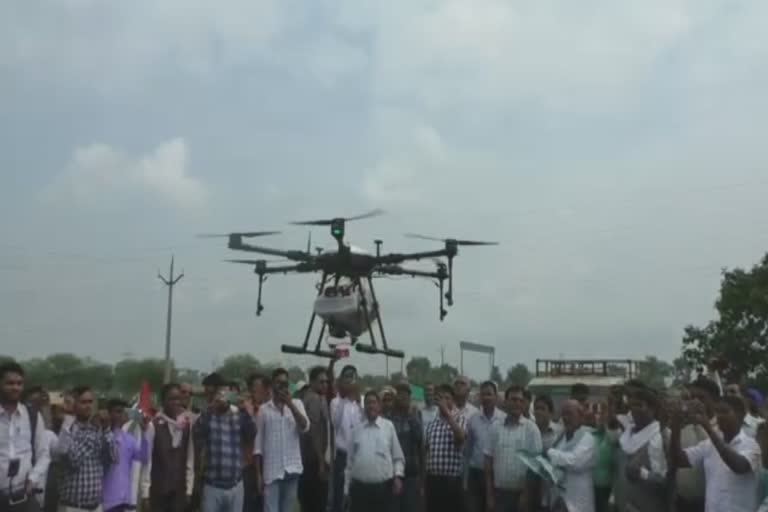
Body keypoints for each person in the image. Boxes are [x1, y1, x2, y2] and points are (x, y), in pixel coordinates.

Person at [670, 394, 762, 512]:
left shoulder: (752, 445)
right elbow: (678, 460)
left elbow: (738, 466)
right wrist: (676, 426)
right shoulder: (709, 445)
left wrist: (707, 427)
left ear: (741, 415)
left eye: (724, 411)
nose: (719, 416)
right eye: (717, 412)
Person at [194, 378, 256, 512]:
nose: (223, 398)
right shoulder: (209, 416)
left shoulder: (239, 416)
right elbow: (197, 432)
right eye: (220, 394)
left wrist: (244, 410)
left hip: (236, 485)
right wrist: (210, 408)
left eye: (226, 394)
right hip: (212, 486)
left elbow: (251, 434)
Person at [54, 386, 117, 512]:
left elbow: (113, 458)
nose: (88, 406)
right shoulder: (68, 429)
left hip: (96, 506)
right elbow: (74, 460)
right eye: (83, 402)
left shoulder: (97, 428)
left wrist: (106, 430)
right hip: (72, 507)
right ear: (74, 405)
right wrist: (93, 433)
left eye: (90, 402)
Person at [254, 368, 309, 512]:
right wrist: (258, 475)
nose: (282, 387)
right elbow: (258, 445)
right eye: (278, 383)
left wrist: (290, 404)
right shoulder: (264, 410)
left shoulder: (297, 404)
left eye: (285, 383)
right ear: (272, 385)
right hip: (272, 473)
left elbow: (305, 426)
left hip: (292, 469)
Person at [0, 362, 50, 512]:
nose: (15, 387)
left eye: (19, 383)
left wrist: (32, 479)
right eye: (9, 383)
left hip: (24, 497)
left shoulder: (32, 415)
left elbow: (44, 453)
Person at [344, 391, 405, 512]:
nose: (371, 406)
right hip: (359, 491)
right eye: (367, 403)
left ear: (379, 406)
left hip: (383, 490)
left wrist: (398, 477)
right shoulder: (356, 430)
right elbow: (349, 463)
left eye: (373, 402)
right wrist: (346, 489)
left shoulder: (388, 427)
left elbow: (398, 458)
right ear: (364, 406)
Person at [484, 385, 542, 512]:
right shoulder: (495, 427)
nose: (517, 403)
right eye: (514, 399)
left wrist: (526, 495)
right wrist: (489, 496)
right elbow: (488, 463)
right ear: (505, 402)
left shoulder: (531, 429)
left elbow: (534, 467)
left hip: (523, 495)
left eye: (521, 401)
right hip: (499, 495)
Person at [141, 383, 195, 512]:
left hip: (179, 492)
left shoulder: (186, 426)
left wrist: (189, 488)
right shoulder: (153, 426)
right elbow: (147, 461)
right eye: (171, 399)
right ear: (163, 401)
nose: (175, 402)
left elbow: (189, 459)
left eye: (178, 399)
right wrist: (145, 493)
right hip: (158, 492)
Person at [613, 388, 667, 512]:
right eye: (632, 405)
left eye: (639, 405)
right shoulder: (626, 434)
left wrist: (643, 474)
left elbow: (667, 481)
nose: (634, 409)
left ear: (652, 409)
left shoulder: (660, 436)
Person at [673, 378, 718, 512]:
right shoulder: (683, 426)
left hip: (707, 504)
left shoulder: (722, 427)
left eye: (701, 398)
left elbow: (716, 454)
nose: (695, 402)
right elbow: (675, 460)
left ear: (715, 400)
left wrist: (699, 424)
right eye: (692, 397)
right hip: (682, 502)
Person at [547, 399, 597, 512]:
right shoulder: (560, 438)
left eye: (569, 413)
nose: (565, 418)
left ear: (581, 416)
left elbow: (574, 462)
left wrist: (551, 453)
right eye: (563, 414)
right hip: (558, 502)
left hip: (578, 504)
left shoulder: (588, 438)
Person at [424, 384, 466, 512]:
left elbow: (460, 438)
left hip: (452, 482)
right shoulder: (431, 424)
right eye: (440, 398)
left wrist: (448, 415)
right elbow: (425, 451)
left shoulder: (460, 419)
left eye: (447, 398)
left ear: (452, 400)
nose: (443, 401)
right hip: (433, 481)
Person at [101, 399, 149, 512]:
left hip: (123, 499)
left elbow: (144, 457)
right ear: (109, 414)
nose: (121, 415)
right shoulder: (100, 436)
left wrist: (144, 432)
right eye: (117, 411)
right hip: (103, 500)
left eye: (122, 412)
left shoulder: (128, 439)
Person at [465, 382, 505, 512]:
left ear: (496, 397)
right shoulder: (473, 419)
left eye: (489, 394)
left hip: (496, 476)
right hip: (475, 474)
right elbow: (468, 450)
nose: (486, 397)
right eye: (483, 394)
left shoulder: (504, 419)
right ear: (479, 397)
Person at [387, 383, 423, 512]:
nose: (403, 398)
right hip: (392, 475)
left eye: (406, 395)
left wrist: (411, 415)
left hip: (411, 474)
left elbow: (419, 438)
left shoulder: (414, 415)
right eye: (400, 395)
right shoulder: (388, 417)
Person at [299, 367, 331, 512]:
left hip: (311, 459)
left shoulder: (317, 397)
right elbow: (315, 432)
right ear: (311, 382)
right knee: (316, 503)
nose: (325, 385)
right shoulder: (313, 398)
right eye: (321, 382)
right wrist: (321, 462)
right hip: (313, 459)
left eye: (326, 382)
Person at [330, 368, 362, 512]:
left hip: (358, 456)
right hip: (342, 457)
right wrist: (343, 398)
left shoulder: (358, 403)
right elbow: (335, 424)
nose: (349, 381)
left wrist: (359, 400)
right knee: (340, 497)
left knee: (356, 496)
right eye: (346, 377)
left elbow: (365, 423)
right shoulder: (336, 402)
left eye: (352, 377)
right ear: (341, 381)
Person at [243, 373, 270, 512]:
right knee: (248, 504)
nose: (258, 391)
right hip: (248, 464)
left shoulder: (271, 410)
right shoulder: (244, 409)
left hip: (268, 464)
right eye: (254, 388)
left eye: (261, 387)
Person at [530, 395, 562, 512]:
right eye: (536, 408)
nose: (538, 412)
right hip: (532, 488)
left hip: (552, 490)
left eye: (542, 408)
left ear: (551, 412)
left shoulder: (560, 432)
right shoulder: (529, 430)